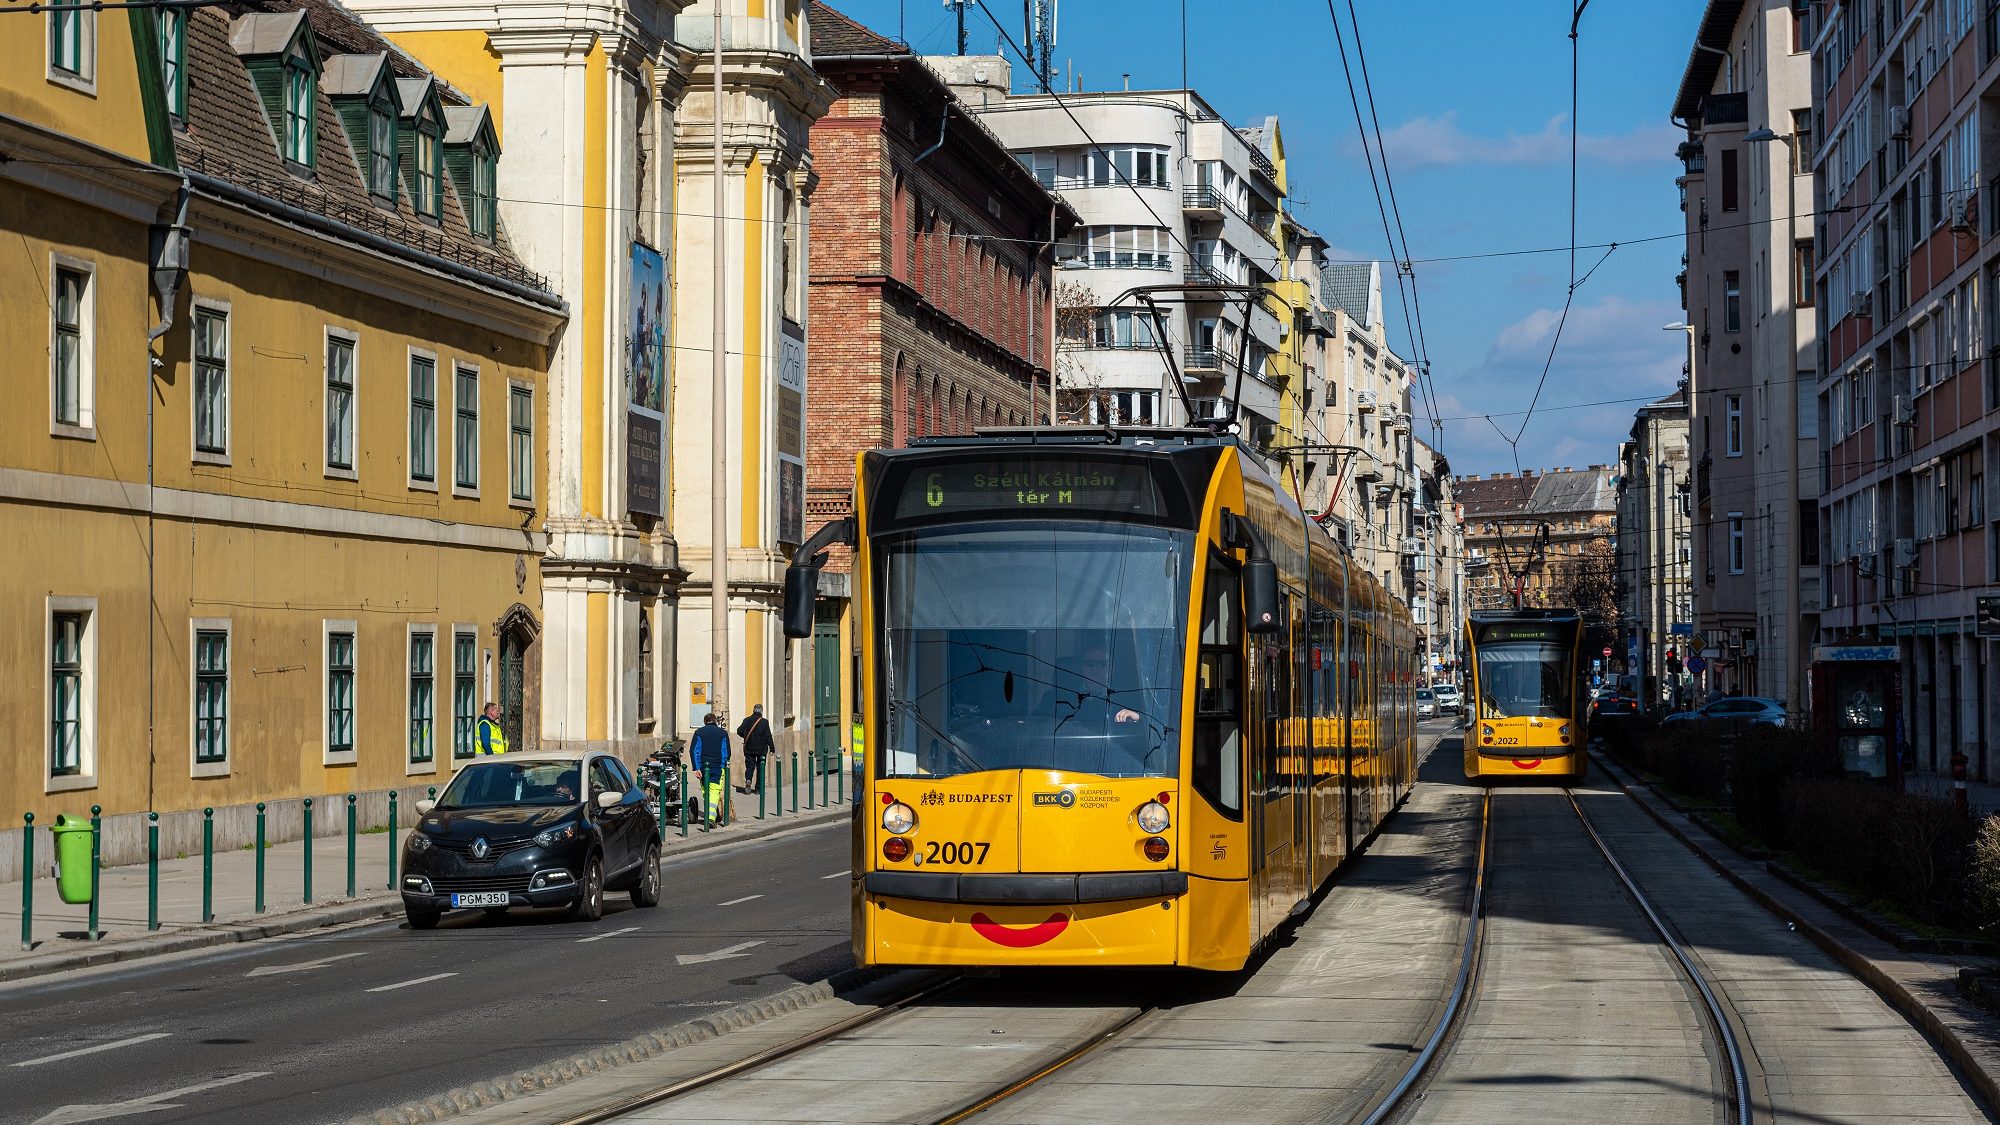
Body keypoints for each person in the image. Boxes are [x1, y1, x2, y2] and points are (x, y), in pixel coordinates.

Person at [689, 712, 731, 829]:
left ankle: (711, 815)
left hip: (703, 766)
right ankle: (711, 818)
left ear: (705, 722)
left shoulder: (699, 732)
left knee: (706, 790)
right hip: (717, 766)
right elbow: (727, 752)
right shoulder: (723, 733)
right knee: (714, 790)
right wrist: (722, 764)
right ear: (715, 721)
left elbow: (694, 751)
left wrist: (696, 767)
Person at [736, 704, 774, 793]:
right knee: (761, 767)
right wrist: (772, 748)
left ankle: (748, 780)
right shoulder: (764, 722)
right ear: (761, 711)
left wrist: (745, 736)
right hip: (761, 749)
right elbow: (768, 736)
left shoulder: (746, 720)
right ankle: (758, 789)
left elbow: (739, 731)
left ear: (753, 710)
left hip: (749, 748)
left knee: (749, 766)